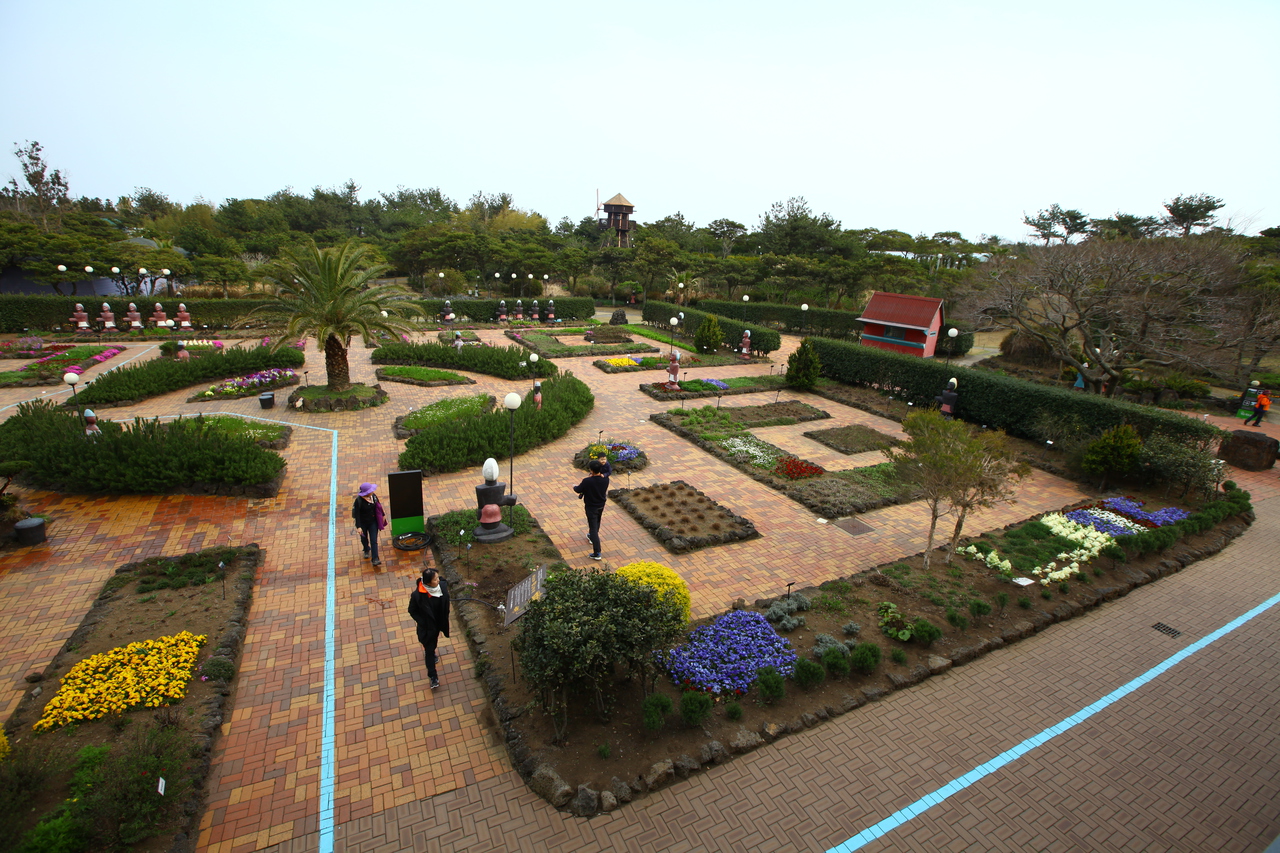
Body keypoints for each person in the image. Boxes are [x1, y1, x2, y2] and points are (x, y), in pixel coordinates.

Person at [408, 568, 450, 689]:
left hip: (439, 623)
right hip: (428, 628)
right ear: (428, 583)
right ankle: (433, 676)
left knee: (434, 643)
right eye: (435, 579)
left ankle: (431, 651)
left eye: (437, 577)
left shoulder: (442, 586)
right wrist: (423, 623)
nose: (438, 580)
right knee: (429, 650)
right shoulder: (417, 596)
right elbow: (412, 611)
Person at [574, 459, 610, 561]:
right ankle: (591, 536)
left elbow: (578, 489)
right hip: (601, 505)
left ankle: (597, 552)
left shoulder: (587, 481)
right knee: (597, 521)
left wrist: (574, 486)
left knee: (593, 527)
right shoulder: (605, 479)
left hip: (591, 507)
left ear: (591, 470)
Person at [351, 482, 386, 566]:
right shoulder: (358, 501)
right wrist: (358, 527)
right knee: (364, 538)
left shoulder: (374, 497)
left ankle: (375, 558)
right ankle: (366, 549)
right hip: (363, 523)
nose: (372, 491)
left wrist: (383, 515)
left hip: (373, 522)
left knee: (374, 540)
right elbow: (357, 515)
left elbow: (379, 507)